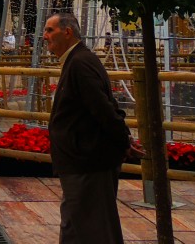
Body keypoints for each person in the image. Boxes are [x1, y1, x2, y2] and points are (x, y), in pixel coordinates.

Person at [44, 13, 134, 244]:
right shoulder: (76, 60)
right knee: (75, 226)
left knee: (94, 228)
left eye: (50, 30)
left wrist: (123, 140)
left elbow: (104, 108)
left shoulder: (80, 63)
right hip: (79, 162)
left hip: (88, 162)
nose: (45, 36)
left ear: (67, 32)